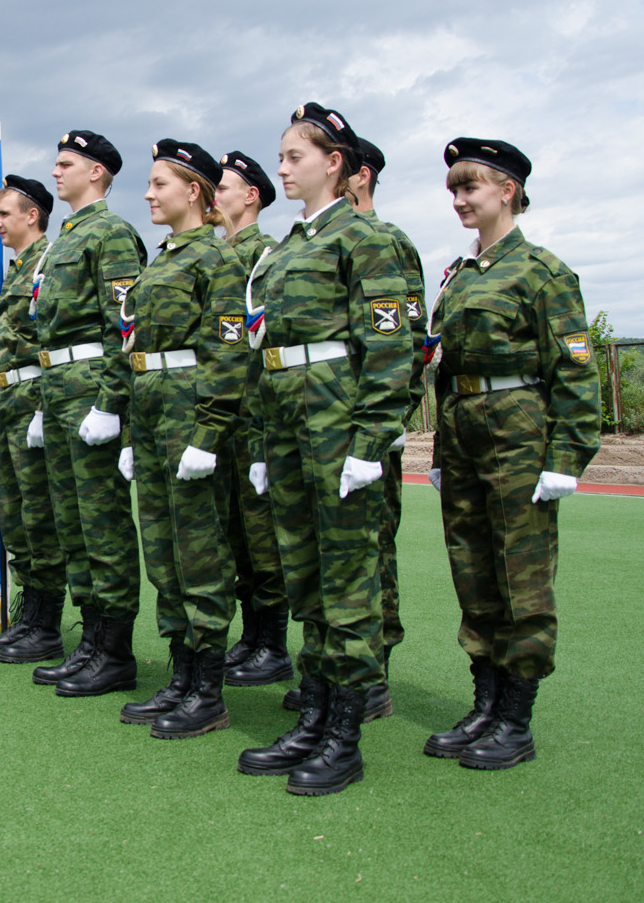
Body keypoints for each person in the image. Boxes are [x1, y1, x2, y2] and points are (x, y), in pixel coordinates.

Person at [235, 104, 410, 796]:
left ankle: (344, 733)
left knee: (347, 584)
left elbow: (391, 346)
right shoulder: (285, 247)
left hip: (338, 428)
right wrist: (258, 442)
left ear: (333, 163)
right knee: (304, 578)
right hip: (287, 428)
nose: (282, 168)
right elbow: (262, 351)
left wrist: (372, 439)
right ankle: (313, 716)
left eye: (294, 156)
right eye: (279, 156)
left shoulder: (367, 238)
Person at [422, 137, 599, 770]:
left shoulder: (544, 272)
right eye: (453, 191)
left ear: (508, 190)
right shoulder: (460, 275)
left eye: (470, 187)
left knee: (520, 575)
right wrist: (442, 450)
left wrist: (566, 458)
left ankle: (516, 719)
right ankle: (485, 704)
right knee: (471, 570)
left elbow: (574, 371)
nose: (460, 200)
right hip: (466, 432)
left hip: (519, 433)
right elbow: (446, 372)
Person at [115, 140, 248, 739]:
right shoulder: (159, 262)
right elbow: (134, 349)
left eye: (158, 184)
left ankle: (208, 690)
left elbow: (228, 349)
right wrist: (127, 431)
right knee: (164, 554)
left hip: (189, 416)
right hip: (151, 417)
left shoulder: (215, 260)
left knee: (201, 555)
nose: (148, 194)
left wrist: (209, 432)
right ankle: (180, 674)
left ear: (193, 191)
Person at [30, 129, 147, 697]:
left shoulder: (113, 235)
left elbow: (122, 330)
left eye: (66, 163)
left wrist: (109, 404)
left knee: (102, 524)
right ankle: (91, 641)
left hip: (89, 390)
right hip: (57, 390)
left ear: (97, 172)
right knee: (72, 525)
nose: (56, 172)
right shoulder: (65, 239)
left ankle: (116, 649)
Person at [328, 135, 426, 720]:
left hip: (370, 427)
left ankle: (374, 672)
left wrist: (388, 422)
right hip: (328, 425)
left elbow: (405, 345)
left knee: (373, 549)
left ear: (358, 175)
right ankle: (339, 670)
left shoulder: (388, 242)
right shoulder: (322, 241)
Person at [207, 151, 291, 689]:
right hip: (222, 415)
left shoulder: (264, 255)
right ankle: (251, 637)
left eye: (224, 186)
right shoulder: (219, 254)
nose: (214, 194)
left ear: (251, 196)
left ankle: (272, 642)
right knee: (234, 532)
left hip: (253, 416)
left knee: (263, 535)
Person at [0, 175, 66, 663]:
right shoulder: (15, 271)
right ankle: (31, 615)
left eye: (5, 214)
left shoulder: (48, 263)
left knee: (40, 516)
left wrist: (45, 406)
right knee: (16, 515)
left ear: (32, 215)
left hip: (36, 394)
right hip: (10, 397)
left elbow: (56, 335)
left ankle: (47, 624)